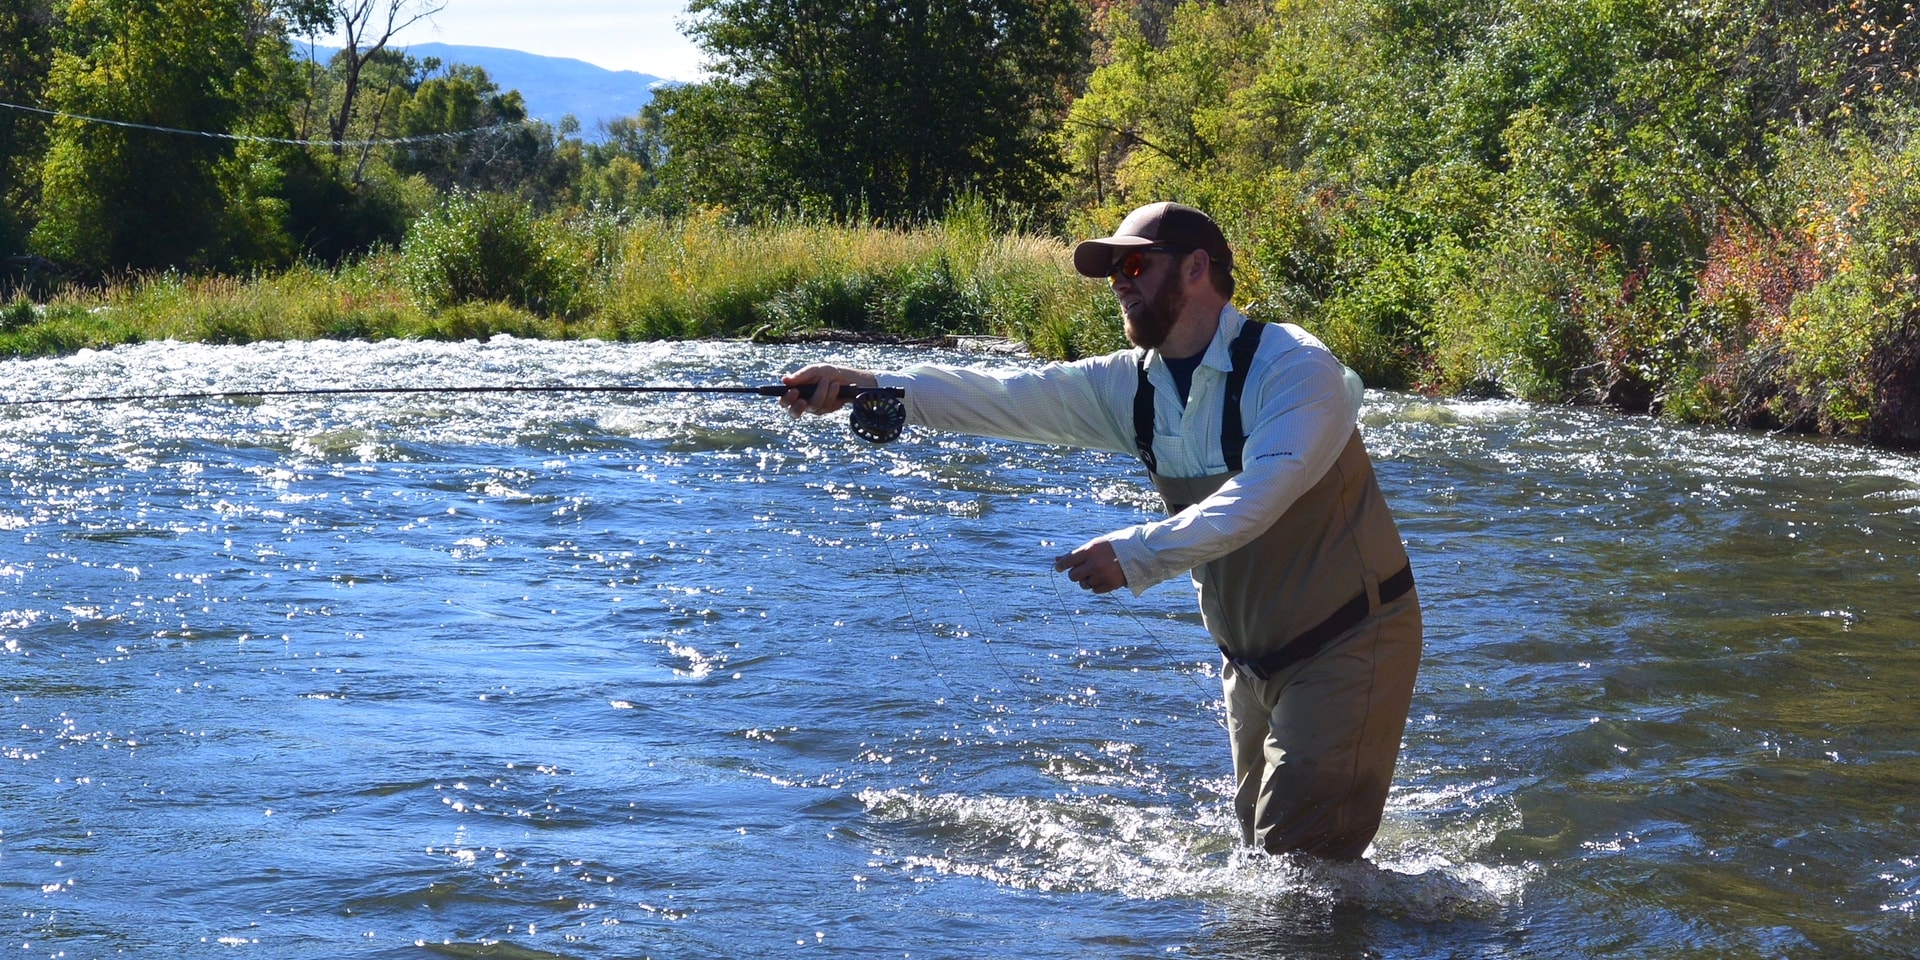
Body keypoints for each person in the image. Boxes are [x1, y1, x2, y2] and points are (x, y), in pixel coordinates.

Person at [780, 201, 1422, 861]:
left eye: (1135, 263)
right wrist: (872, 386)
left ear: (1198, 268)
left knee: (1298, 869)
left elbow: (1256, 500)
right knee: (1268, 862)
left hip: (1351, 639)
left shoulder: (1294, 368)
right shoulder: (1132, 386)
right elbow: (1004, 396)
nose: (1119, 281)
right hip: (1252, 663)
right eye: (1114, 269)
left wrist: (1135, 555)